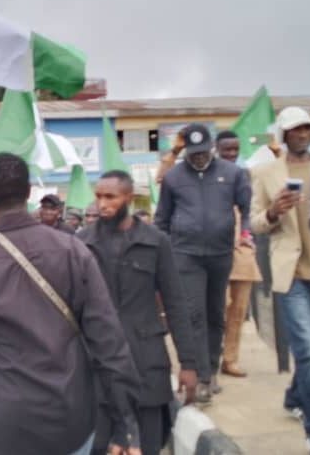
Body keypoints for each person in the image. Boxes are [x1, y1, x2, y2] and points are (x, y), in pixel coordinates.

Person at [0, 153, 143, 455]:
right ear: (28, 193)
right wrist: (124, 423)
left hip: (1, 420)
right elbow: (109, 343)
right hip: (67, 417)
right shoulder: (72, 251)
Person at [78, 171, 199, 455]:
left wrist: (189, 363)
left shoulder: (156, 242)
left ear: (129, 199)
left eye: (111, 197)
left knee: (149, 445)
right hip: (99, 364)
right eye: (98, 196)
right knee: (99, 446)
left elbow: (176, 303)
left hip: (147, 361)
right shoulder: (81, 244)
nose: (102, 204)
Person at [153, 123, 252, 404]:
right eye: (192, 153)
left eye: (202, 152)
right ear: (185, 151)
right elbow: (162, 219)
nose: (197, 158)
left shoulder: (233, 174)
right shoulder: (174, 177)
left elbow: (247, 209)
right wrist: (162, 252)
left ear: (211, 149)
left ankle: (212, 366)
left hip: (221, 254)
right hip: (186, 254)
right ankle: (202, 376)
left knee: (215, 314)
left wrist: (246, 233)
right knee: (193, 314)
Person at [250, 107, 310, 452]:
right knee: (309, 353)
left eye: (307, 129)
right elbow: (254, 222)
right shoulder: (266, 173)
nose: (301, 134)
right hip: (290, 273)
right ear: (284, 134)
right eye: (295, 130)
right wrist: (273, 211)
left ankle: (294, 395)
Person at [209, 131, 262, 379]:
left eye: (234, 150)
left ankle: (230, 359)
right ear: (215, 149)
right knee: (217, 308)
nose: (231, 154)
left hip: (241, 253)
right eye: (226, 150)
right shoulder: (206, 176)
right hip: (212, 251)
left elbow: (250, 211)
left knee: (238, 310)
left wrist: (247, 237)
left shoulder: (244, 175)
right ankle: (211, 356)